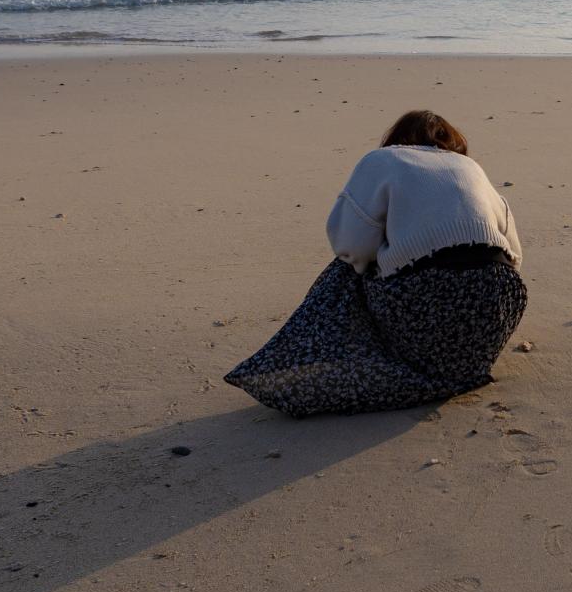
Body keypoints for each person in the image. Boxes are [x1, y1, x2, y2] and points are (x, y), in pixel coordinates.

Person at [224, 110, 528, 418]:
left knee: (343, 272)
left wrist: (381, 259)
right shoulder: (471, 167)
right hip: (495, 306)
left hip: (428, 303)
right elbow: (514, 255)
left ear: (396, 138)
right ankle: (459, 365)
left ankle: (294, 364)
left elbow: (349, 243)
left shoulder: (382, 161)